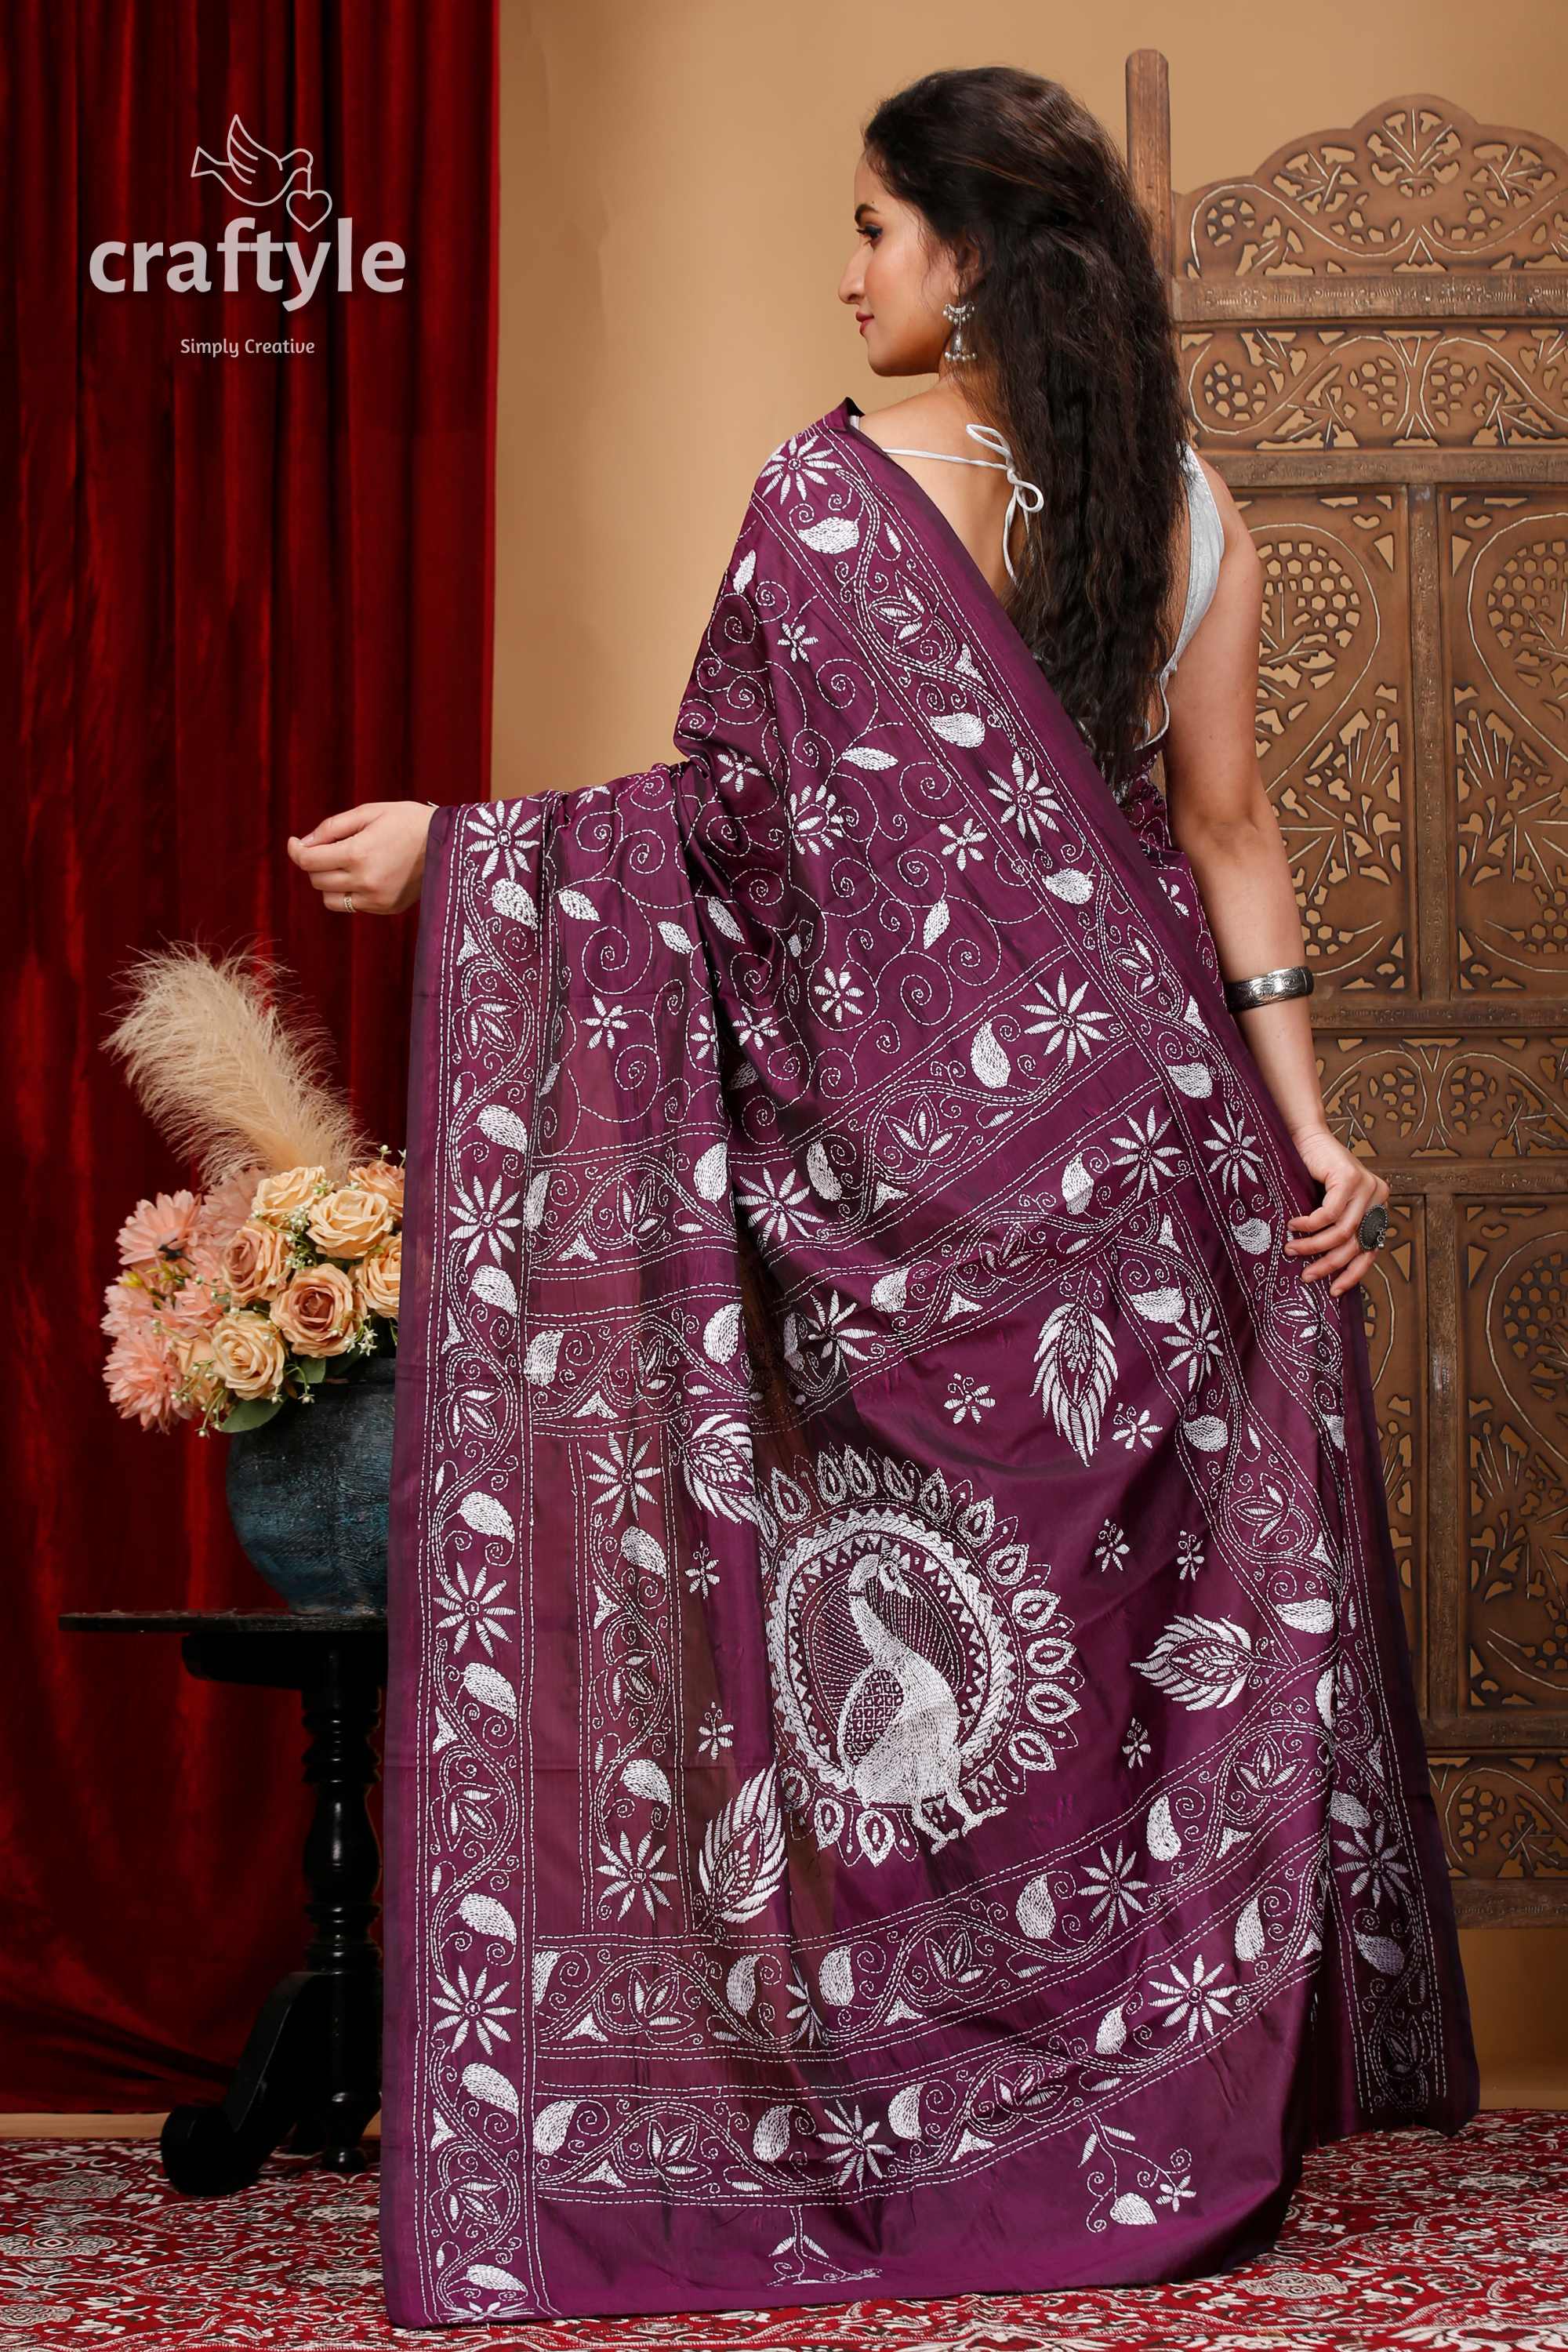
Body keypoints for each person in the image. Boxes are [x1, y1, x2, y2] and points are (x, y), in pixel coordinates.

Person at [292, 64, 1478, 2332]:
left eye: (869, 231)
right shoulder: (1189, 505)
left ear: (968, 253)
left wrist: (472, 854)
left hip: (937, 1189)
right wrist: (1301, 1119)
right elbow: (1227, 838)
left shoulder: (834, 498)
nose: (844, 276)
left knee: (929, 1655)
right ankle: (1150, 2117)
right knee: (1112, 1660)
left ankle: (958, 2123)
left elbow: (739, 853)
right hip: (1156, 1155)